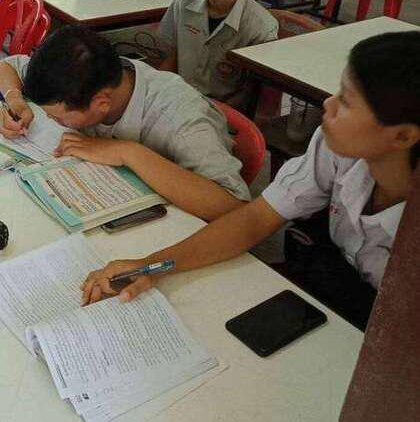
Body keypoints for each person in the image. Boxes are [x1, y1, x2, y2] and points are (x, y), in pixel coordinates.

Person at [82, 31, 420, 329]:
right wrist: (152, 266)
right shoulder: (338, 148)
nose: (327, 104)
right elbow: (256, 218)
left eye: (345, 101)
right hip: (331, 290)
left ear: (403, 136)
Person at [0, 26, 250, 222]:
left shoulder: (181, 118)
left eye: (59, 117)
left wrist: (129, 152)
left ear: (101, 103)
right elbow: (4, 67)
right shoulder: (82, 76)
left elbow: (236, 209)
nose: (50, 120)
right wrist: (15, 100)